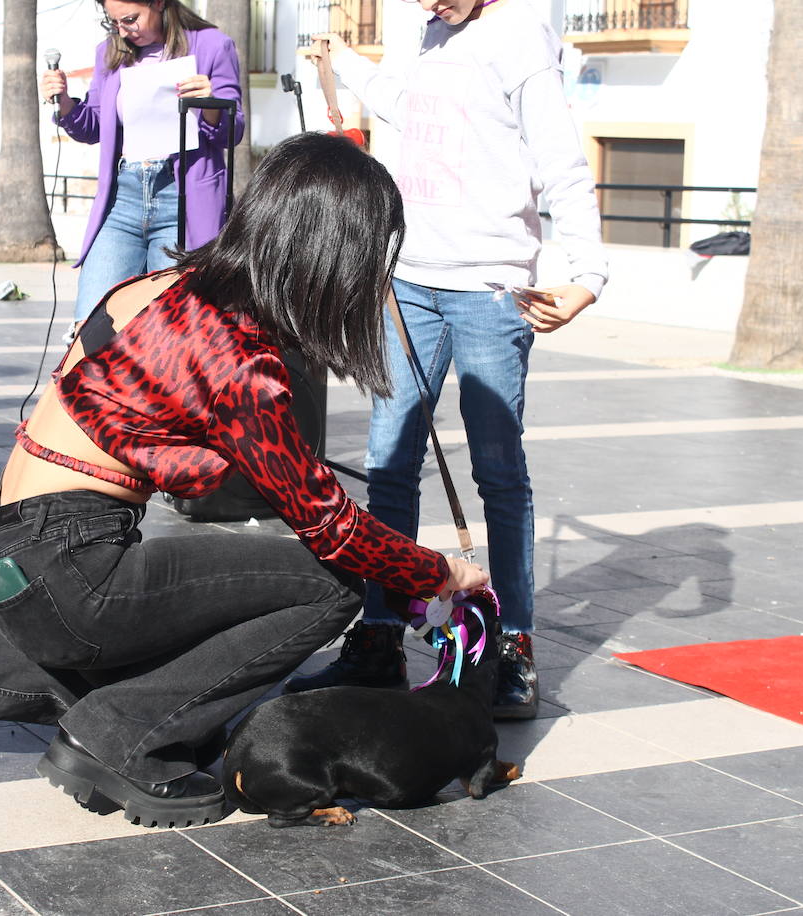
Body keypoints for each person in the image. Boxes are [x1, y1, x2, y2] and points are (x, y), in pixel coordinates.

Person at [0, 134, 489, 827]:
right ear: (331, 254)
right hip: (73, 570)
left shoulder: (161, 287)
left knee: (196, 654)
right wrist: (437, 571)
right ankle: (119, 737)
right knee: (331, 584)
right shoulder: (237, 358)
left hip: (12, 548)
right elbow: (330, 529)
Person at [285, 0, 609, 721]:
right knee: (389, 464)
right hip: (407, 284)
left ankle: (513, 644)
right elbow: (407, 108)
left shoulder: (520, 35)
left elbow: (561, 160)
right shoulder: (426, 32)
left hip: (492, 288)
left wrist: (587, 275)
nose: (428, 3)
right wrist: (345, 62)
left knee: (499, 472)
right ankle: (380, 633)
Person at [40, 0, 243, 335]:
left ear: (159, 3)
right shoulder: (110, 52)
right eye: (114, 22)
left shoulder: (212, 45)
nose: (123, 31)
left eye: (130, 19)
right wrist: (63, 103)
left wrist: (210, 104)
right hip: (123, 200)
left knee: (171, 328)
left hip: (182, 202)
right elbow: (94, 126)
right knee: (91, 325)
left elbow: (233, 132)